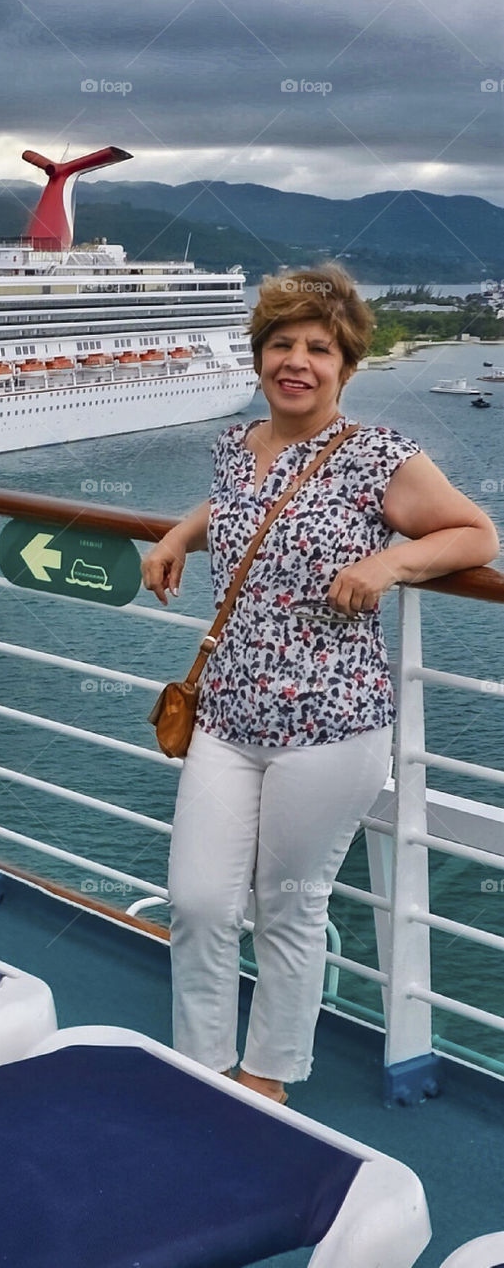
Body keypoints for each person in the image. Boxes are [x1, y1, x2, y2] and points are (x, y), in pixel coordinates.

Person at [141, 265, 498, 1103]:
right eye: (280, 344)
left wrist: (390, 563)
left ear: (345, 365)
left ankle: (265, 1078)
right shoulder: (236, 446)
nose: (295, 361)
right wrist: (176, 534)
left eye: (317, 348)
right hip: (226, 717)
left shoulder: (378, 455)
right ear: (258, 356)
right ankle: (202, 1067)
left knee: (288, 905)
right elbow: (234, 503)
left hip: (329, 726)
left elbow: (475, 533)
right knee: (197, 901)